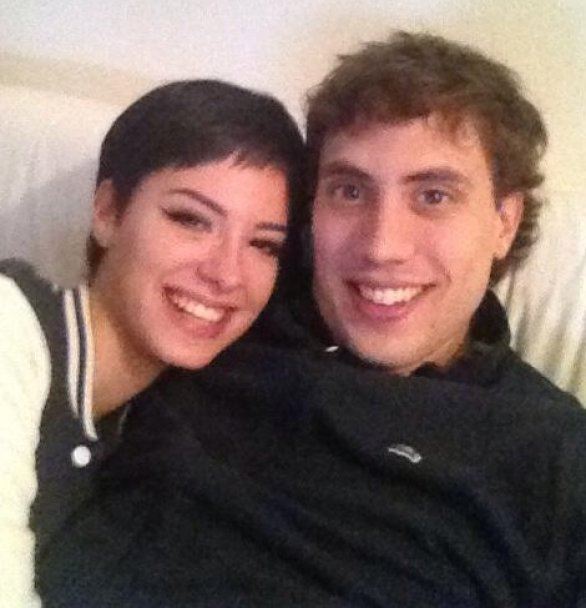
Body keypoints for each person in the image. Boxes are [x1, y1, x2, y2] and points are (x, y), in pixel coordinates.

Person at [39, 32, 586, 607]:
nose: (381, 246)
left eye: (433, 196)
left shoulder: (556, 455)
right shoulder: (222, 314)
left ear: (504, 221)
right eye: (349, 190)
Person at [0, 79, 304, 607]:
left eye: (263, 244)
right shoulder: (11, 326)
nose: (227, 274)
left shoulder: (153, 425)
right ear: (107, 213)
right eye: (191, 220)